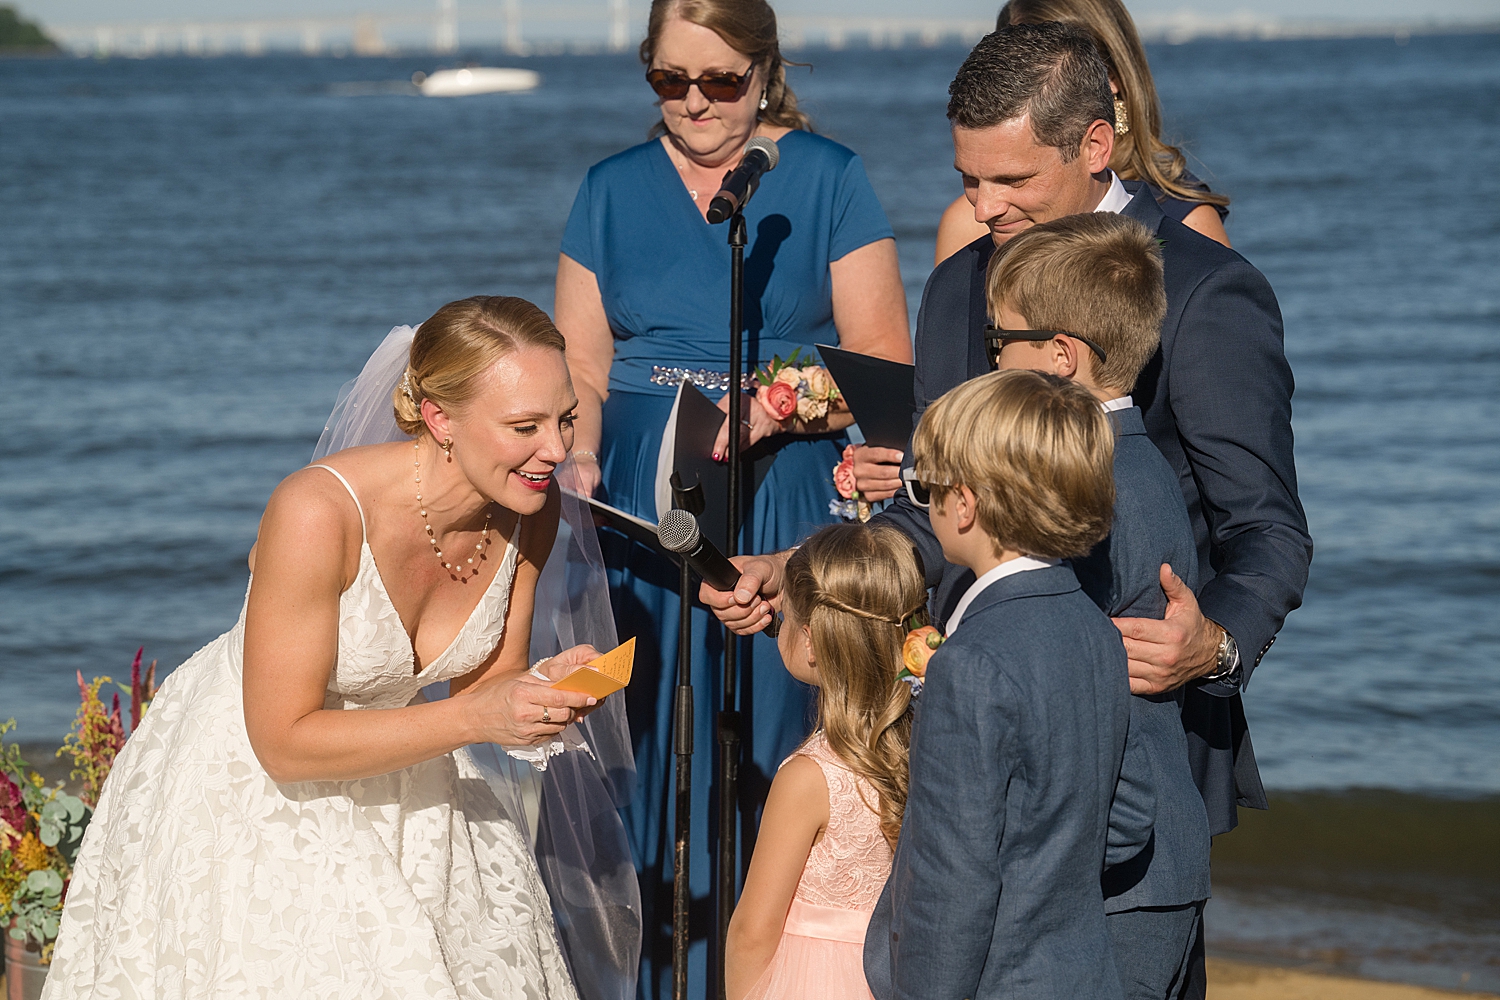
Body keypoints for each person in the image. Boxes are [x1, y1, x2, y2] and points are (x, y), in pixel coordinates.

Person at [705, 26, 1311, 995]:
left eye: (1011, 181)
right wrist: (804, 568)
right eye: (967, 178)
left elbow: (1269, 531)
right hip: (972, 767)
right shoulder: (957, 291)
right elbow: (932, 506)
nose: (981, 209)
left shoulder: (1204, 294)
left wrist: (1215, 647)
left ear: (1096, 147)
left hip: (1136, 778)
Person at [43, 297, 632, 1000]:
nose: (558, 450)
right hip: (256, 787)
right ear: (440, 419)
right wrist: (481, 719)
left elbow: (482, 689)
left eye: (564, 418)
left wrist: (534, 691)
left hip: (414, 778)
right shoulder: (316, 513)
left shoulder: (528, 513)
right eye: (524, 426)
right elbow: (283, 745)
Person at [552, 0, 911, 993]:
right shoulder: (609, 189)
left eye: (722, 81)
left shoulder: (829, 176)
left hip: (783, 489)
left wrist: (778, 398)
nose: (697, 103)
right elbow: (580, 367)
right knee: (645, 746)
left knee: (779, 733)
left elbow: (885, 366)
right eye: (672, 80)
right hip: (642, 495)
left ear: (764, 70)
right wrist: (578, 467)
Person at [989, 213, 1212, 999]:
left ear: (1060, 357)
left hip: (1124, 861)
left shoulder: (1095, 486)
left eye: (999, 343)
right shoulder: (1138, 459)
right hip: (1156, 851)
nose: (990, 362)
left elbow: (1053, 659)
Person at [864, 370, 1132, 1000]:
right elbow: (1129, 816)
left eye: (924, 488)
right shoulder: (1097, 631)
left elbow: (950, 879)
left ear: (965, 504)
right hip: (1081, 971)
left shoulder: (970, 663)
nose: (924, 504)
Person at [724, 523, 924, 1000]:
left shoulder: (809, 777)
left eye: (786, 617)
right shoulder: (929, 744)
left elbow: (753, 932)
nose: (779, 624)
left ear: (811, 641)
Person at [933, 0, 1232, 264]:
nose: (987, 208)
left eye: (1045, 66)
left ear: (1109, 78)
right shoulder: (972, 221)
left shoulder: (1184, 222)